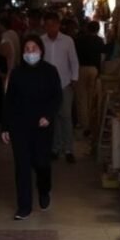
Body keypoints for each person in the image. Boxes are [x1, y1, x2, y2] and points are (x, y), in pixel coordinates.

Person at [1, 34, 63, 220]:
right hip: (19, 125)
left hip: (42, 125)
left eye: (33, 49)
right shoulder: (17, 73)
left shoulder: (50, 71)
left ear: (40, 50)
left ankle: (44, 190)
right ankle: (24, 206)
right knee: (22, 166)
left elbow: (57, 97)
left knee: (41, 163)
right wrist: (5, 127)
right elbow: (9, 101)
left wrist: (48, 115)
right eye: (27, 49)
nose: (30, 53)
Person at [42, 11, 79, 163]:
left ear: (58, 25)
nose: (51, 28)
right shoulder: (41, 41)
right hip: (47, 86)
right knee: (53, 117)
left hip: (64, 83)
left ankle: (69, 149)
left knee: (66, 117)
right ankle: (55, 148)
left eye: (53, 25)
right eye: (48, 25)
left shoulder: (67, 41)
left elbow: (74, 61)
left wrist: (74, 79)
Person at [75, 21, 106, 138]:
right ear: (97, 30)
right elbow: (102, 58)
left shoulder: (79, 40)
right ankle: (92, 124)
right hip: (94, 70)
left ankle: (84, 124)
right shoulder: (100, 41)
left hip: (81, 69)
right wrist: (100, 71)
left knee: (81, 98)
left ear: (87, 28)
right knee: (91, 97)